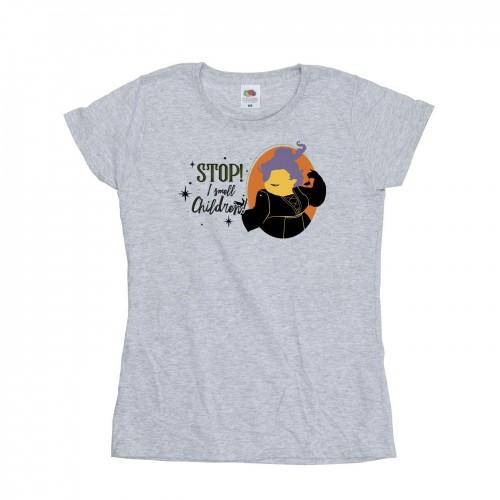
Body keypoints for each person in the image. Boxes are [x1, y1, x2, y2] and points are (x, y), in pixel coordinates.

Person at [242, 142, 326, 238]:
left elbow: (317, 199)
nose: (268, 184)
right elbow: (254, 218)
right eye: (267, 180)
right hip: (275, 234)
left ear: (293, 181)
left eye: (276, 183)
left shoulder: (301, 191)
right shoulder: (265, 197)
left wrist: (317, 180)